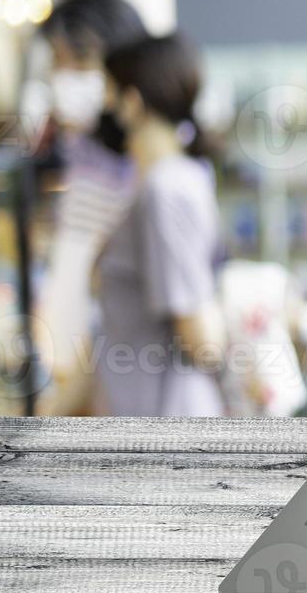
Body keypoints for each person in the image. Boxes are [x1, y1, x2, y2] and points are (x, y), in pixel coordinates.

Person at [95, 35, 226, 416]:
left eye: (108, 91)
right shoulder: (181, 177)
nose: (102, 105)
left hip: (168, 429)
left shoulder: (165, 188)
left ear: (132, 101)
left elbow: (201, 337)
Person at [34, 0, 149, 414]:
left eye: (79, 60)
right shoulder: (81, 149)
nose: (62, 75)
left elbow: (121, 304)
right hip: (70, 370)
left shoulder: (145, 163)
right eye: (56, 60)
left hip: (105, 390)